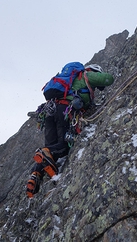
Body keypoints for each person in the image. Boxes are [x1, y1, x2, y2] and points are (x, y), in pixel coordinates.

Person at [26, 64, 114, 198]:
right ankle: (43, 158)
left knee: (50, 150)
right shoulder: (87, 75)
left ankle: (36, 174)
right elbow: (108, 79)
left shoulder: (70, 80)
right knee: (64, 146)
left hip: (50, 111)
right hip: (64, 111)